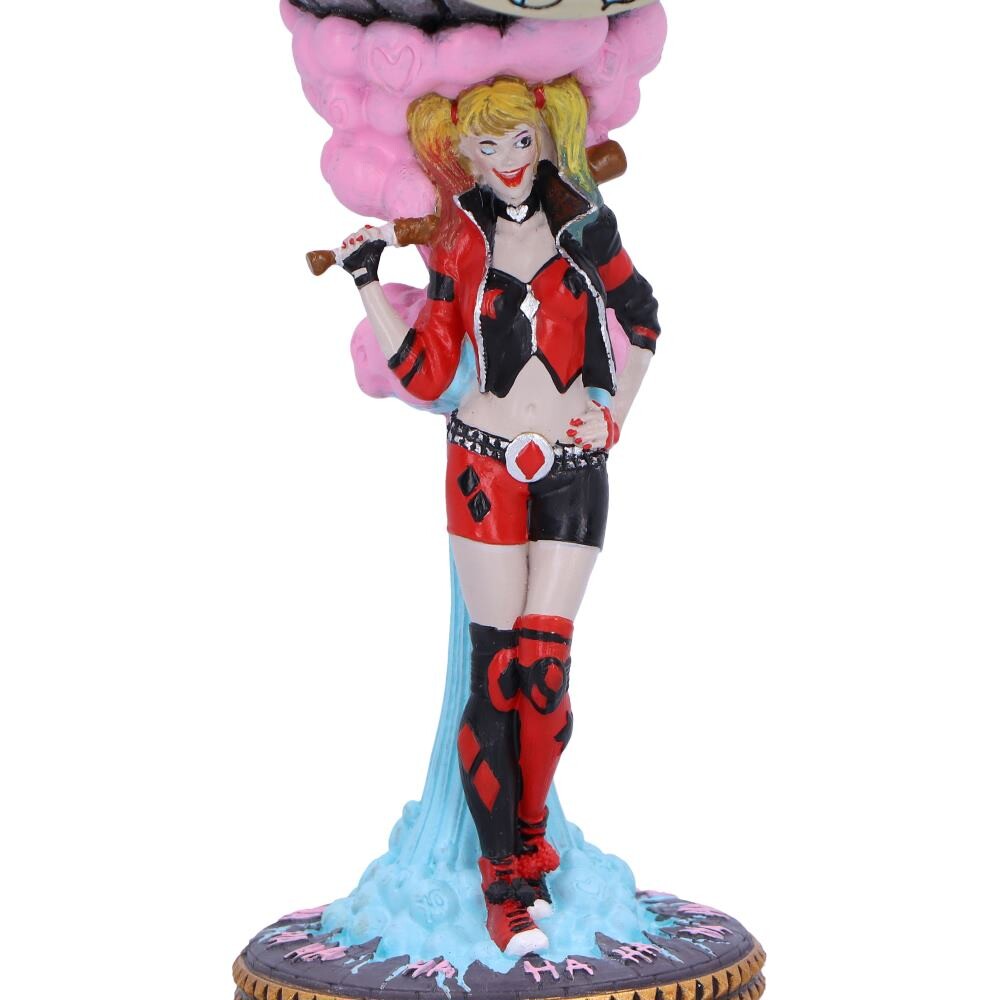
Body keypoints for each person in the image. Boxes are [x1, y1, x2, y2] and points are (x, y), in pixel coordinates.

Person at [334, 75, 659, 957]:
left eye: (520, 141)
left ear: (548, 139)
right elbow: (429, 369)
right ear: (463, 154)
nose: (508, 161)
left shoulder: (589, 226)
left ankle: (530, 844)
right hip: (482, 463)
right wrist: (367, 283)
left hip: (574, 464)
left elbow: (643, 320)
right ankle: (503, 884)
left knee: (545, 669)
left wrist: (614, 415)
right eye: (487, 145)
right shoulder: (456, 237)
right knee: (497, 669)